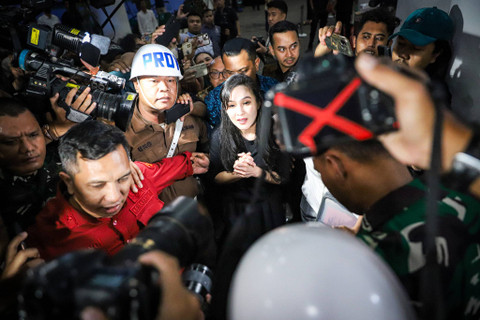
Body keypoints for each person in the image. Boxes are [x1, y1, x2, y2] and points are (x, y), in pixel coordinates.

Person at [27, 120, 209, 261]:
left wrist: (197, 162)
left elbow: (180, 165)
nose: (115, 197)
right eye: (98, 185)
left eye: (123, 179)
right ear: (69, 183)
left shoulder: (140, 175)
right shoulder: (50, 236)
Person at [125, 44, 209, 204]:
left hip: (193, 211)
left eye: (170, 80)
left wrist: (207, 161)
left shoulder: (189, 115)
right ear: (136, 84)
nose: (164, 88)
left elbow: (210, 150)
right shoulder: (123, 130)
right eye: (154, 81)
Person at [204, 38, 278, 131]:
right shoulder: (214, 100)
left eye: (243, 71)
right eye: (230, 72)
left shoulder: (274, 89)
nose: (237, 79)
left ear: (256, 64)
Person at [390, 7, 454, 81]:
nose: (403, 54)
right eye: (401, 44)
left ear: (435, 55)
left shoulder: (431, 91)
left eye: (416, 48)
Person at [315, 7, 397, 57]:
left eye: (379, 38)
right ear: (354, 41)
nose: (371, 43)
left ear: (389, 44)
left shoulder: (395, 79)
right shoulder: (342, 72)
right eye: (366, 37)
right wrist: (324, 44)